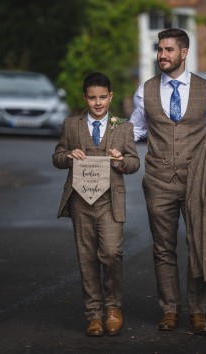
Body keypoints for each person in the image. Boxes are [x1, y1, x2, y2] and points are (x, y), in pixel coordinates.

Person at [128, 28, 206, 336]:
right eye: (160, 49)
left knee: (198, 245)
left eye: (168, 50)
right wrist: (112, 140)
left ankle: (198, 312)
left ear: (184, 53)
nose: (162, 55)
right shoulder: (144, 91)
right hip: (158, 179)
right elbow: (136, 130)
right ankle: (170, 310)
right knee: (163, 248)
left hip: (197, 179)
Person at [52, 72, 140, 337]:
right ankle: (93, 314)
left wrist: (120, 160)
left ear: (110, 97)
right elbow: (56, 157)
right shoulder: (71, 125)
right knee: (87, 257)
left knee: (112, 253)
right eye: (92, 98)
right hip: (80, 200)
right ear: (84, 98)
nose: (98, 103)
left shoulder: (123, 127)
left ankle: (113, 307)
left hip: (110, 201)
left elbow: (135, 163)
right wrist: (68, 156)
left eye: (103, 97)